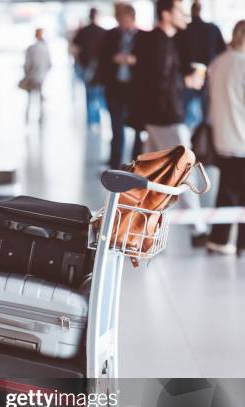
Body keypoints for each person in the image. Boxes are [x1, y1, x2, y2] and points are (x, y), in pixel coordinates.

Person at [131, 0, 207, 246]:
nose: (185, 14)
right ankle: (198, 229)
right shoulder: (160, 43)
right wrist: (187, 81)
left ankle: (140, 224)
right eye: (179, 10)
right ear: (166, 14)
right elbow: (161, 82)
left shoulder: (158, 40)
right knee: (184, 170)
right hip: (167, 117)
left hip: (155, 116)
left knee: (150, 175)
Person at [206, 21, 245, 256]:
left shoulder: (218, 62)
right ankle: (242, 243)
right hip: (242, 139)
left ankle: (218, 239)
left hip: (221, 137)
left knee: (228, 189)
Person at [95, 3, 142, 168]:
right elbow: (101, 58)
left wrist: (134, 60)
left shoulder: (143, 37)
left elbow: (149, 62)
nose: (122, 23)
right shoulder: (110, 36)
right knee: (116, 126)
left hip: (135, 90)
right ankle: (115, 163)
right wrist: (113, 58)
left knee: (138, 128)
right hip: (114, 87)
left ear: (132, 18)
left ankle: (137, 165)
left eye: (125, 19)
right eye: (120, 19)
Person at [177, 1, 226, 131]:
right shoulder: (212, 29)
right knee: (205, 115)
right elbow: (223, 52)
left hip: (186, 76)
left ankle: (187, 145)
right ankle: (200, 145)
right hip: (207, 77)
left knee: (185, 116)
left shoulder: (183, 30)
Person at [72, 8, 106, 127]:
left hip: (86, 67)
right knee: (98, 94)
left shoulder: (83, 31)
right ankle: (96, 118)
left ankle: (91, 120)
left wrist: (78, 63)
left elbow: (74, 49)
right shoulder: (103, 31)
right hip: (99, 69)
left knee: (89, 94)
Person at [22, 29, 51, 124]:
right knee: (40, 98)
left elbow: (27, 64)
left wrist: (27, 74)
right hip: (41, 77)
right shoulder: (45, 48)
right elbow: (50, 64)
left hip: (31, 77)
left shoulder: (31, 48)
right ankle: (41, 118)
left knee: (29, 98)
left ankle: (27, 117)